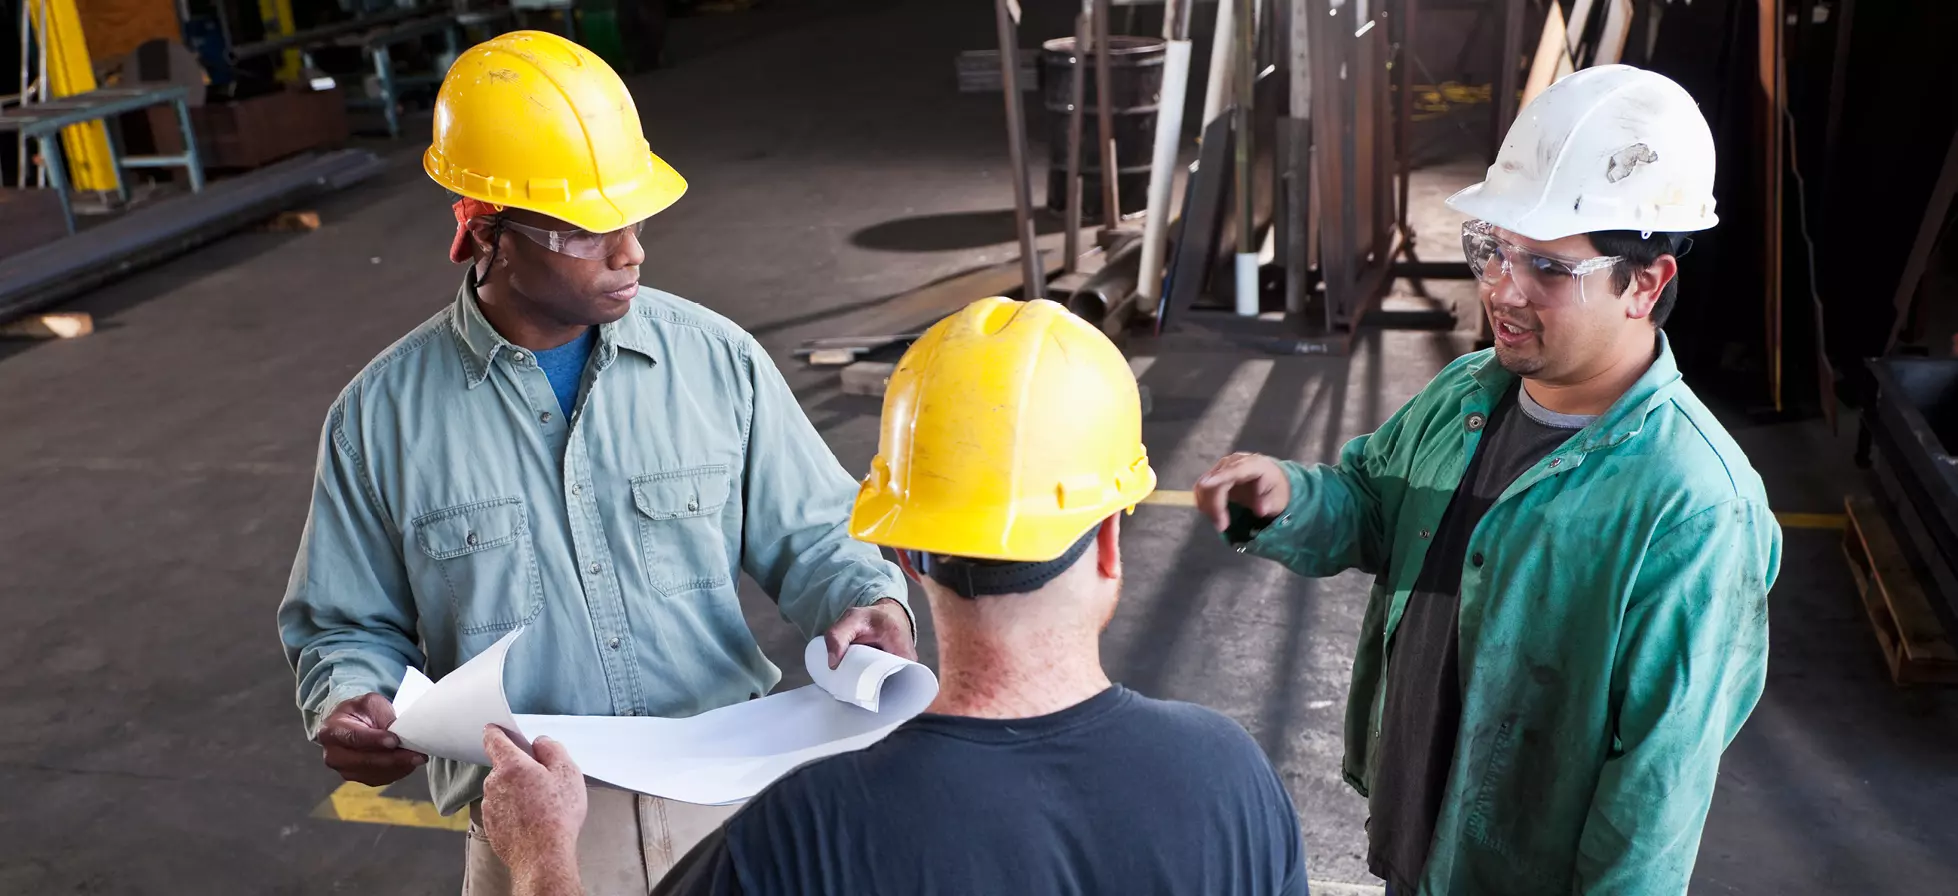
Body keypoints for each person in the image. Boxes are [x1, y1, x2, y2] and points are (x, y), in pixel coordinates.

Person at [275, 31, 913, 895]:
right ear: (488, 234)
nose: (631, 253)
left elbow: (813, 532)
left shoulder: (715, 361)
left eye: (635, 216)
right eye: (587, 230)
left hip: (737, 814)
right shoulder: (380, 418)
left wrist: (862, 599)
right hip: (535, 836)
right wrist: (354, 699)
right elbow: (347, 625)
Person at [475, 298, 1313, 895]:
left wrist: (544, 854)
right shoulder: (1229, 777)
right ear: (1108, 538)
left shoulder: (808, 829)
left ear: (907, 549)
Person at [1194, 65, 1781, 895]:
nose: (1503, 290)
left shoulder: (1692, 505)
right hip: (1420, 839)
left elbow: (1655, 791)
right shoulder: (1467, 394)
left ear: (1645, 284)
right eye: (1494, 251)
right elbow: (1372, 505)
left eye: (1547, 268)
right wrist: (1292, 499)